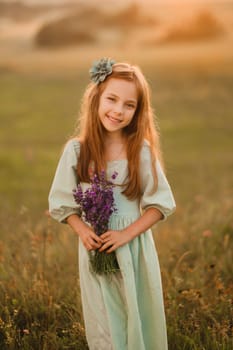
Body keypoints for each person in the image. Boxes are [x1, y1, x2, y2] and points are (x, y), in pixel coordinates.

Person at [48, 58, 176, 350]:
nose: (118, 110)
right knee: (105, 319)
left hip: (133, 248)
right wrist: (82, 230)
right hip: (95, 247)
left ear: (138, 111)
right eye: (112, 99)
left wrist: (126, 234)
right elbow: (63, 203)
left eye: (129, 105)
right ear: (96, 99)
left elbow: (160, 205)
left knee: (136, 312)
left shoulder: (139, 150)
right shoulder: (77, 150)